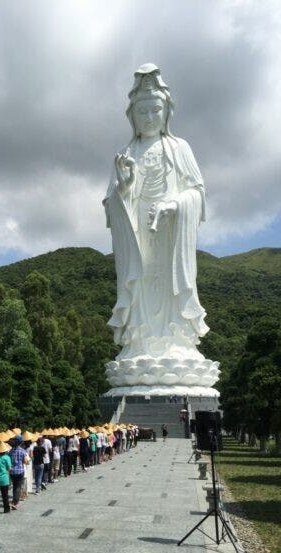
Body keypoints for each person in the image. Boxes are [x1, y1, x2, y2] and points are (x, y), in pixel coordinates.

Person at [103, 63, 217, 389]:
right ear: (132, 115)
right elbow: (112, 206)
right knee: (139, 288)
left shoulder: (180, 148)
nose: (149, 117)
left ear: (166, 112)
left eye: (155, 109)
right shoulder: (126, 152)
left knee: (169, 286)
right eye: (142, 111)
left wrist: (176, 204)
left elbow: (197, 192)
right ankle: (138, 345)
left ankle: (176, 345)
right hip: (138, 237)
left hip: (170, 235)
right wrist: (123, 187)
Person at [8, 435, 29, 510]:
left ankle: (14, 500)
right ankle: (15, 503)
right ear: (20, 443)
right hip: (20, 471)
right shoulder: (22, 451)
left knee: (14, 486)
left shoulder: (10, 451)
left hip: (12, 471)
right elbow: (26, 461)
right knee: (18, 487)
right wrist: (27, 462)